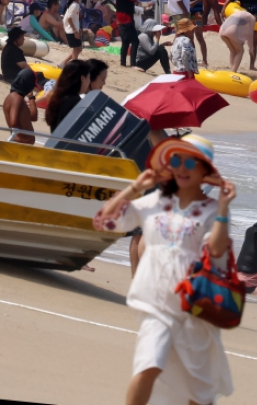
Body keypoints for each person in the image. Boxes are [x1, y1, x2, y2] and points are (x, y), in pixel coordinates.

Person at [93, 134, 236, 405]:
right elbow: (105, 221)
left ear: (205, 170)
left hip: (194, 308)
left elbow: (216, 251)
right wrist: (135, 188)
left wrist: (223, 208)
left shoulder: (210, 210)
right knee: (148, 365)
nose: (182, 167)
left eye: (191, 162)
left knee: (198, 389)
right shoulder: (156, 201)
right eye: (176, 160)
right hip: (154, 304)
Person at [44, 60, 90, 133]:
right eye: (89, 78)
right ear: (82, 79)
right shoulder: (75, 101)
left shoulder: (57, 97)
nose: (89, 82)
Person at [116, 0, 145, 69]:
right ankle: (133, 64)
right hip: (125, 17)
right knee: (135, 41)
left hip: (123, 16)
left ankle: (123, 63)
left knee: (126, 41)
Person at [2, 65, 40, 144]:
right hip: (20, 143)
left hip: (19, 143)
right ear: (27, 84)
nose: (32, 88)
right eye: (32, 86)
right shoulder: (17, 98)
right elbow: (14, 122)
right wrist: (25, 138)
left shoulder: (14, 98)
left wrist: (31, 97)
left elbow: (33, 117)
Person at [217, 9, 253, 73]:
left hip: (222, 30)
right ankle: (234, 71)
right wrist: (251, 48)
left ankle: (231, 68)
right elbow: (250, 34)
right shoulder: (251, 17)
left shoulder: (238, 13)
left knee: (233, 51)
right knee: (240, 51)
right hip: (231, 31)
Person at [61, 0, 86, 67]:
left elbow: (73, 19)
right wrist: (75, 31)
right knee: (77, 49)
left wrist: (78, 29)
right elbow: (69, 18)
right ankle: (74, 68)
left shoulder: (74, 4)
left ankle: (63, 63)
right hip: (71, 30)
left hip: (71, 29)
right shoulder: (75, 5)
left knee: (78, 48)